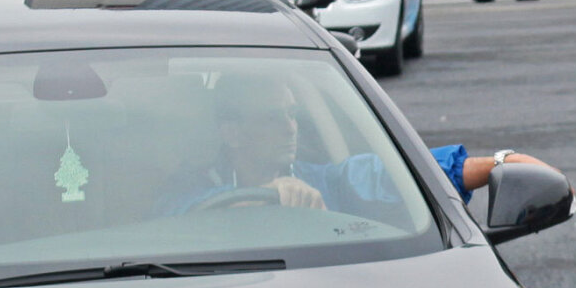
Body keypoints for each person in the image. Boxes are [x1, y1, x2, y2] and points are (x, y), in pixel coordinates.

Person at [155, 72, 550, 217]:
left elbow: (404, 175)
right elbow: (172, 220)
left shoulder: (328, 182)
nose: (290, 127)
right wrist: (263, 196)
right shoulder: (188, 191)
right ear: (232, 132)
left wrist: (503, 161)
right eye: (273, 117)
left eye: (292, 114)